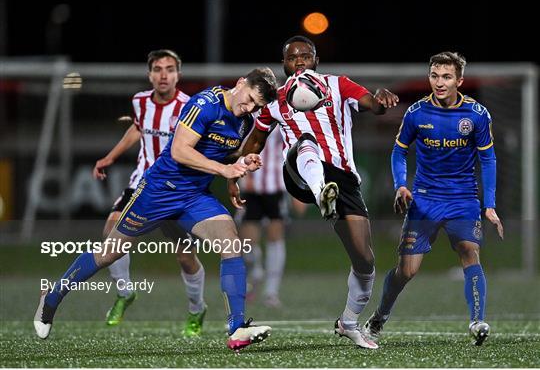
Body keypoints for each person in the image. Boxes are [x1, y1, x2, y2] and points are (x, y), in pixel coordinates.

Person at [34, 67, 279, 352]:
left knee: (230, 243)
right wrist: (225, 170)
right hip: (159, 193)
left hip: (194, 197)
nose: (247, 108)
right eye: (248, 99)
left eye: (256, 106)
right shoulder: (205, 104)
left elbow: (227, 153)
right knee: (108, 253)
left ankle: (237, 329)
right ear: (240, 83)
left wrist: (241, 165)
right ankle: (51, 299)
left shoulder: (244, 120)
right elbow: (180, 151)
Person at [228, 35, 399, 349]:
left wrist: (380, 99)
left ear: (316, 60)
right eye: (293, 57)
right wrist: (233, 170)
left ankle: (348, 321)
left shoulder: (338, 85)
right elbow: (255, 141)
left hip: (343, 180)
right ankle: (322, 194)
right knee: (306, 141)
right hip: (300, 174)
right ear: (284, 64)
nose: (300, 61)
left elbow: (371, 104)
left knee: (365, 261)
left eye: (305, 56)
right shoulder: (276, 99)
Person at [363, 52, 504, 347]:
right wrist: (401, 185)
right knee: (407, 271)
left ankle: (477, 321)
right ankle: (379, 317)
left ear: (459, 81)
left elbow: (488, 158)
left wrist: (488, 204)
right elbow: (399, 151)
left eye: (446, 77)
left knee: (469, 250)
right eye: (435, 76)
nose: (439, 83)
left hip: (463, 198)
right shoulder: (416, 113)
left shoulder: (477, 115)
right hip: (425, 200)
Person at [92, 50, 207, 337]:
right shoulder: (140, 101)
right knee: (111, 233)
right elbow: (138, 128)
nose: (163, 75)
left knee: (184, 256)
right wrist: (110, 157)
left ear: (178, 75)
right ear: (150, 75)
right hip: (141, 182)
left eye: (169, 69)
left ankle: (197, 308)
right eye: (158, 69)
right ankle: (125, 292)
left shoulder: (189, 106)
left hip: (174, 189)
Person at [236, 127, 288, 308]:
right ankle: (256, 271)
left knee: (275, 237)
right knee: (247, 243)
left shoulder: (282, 111)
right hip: (250, 187)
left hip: (276, 185)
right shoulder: (246, 111)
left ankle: (271, 292)